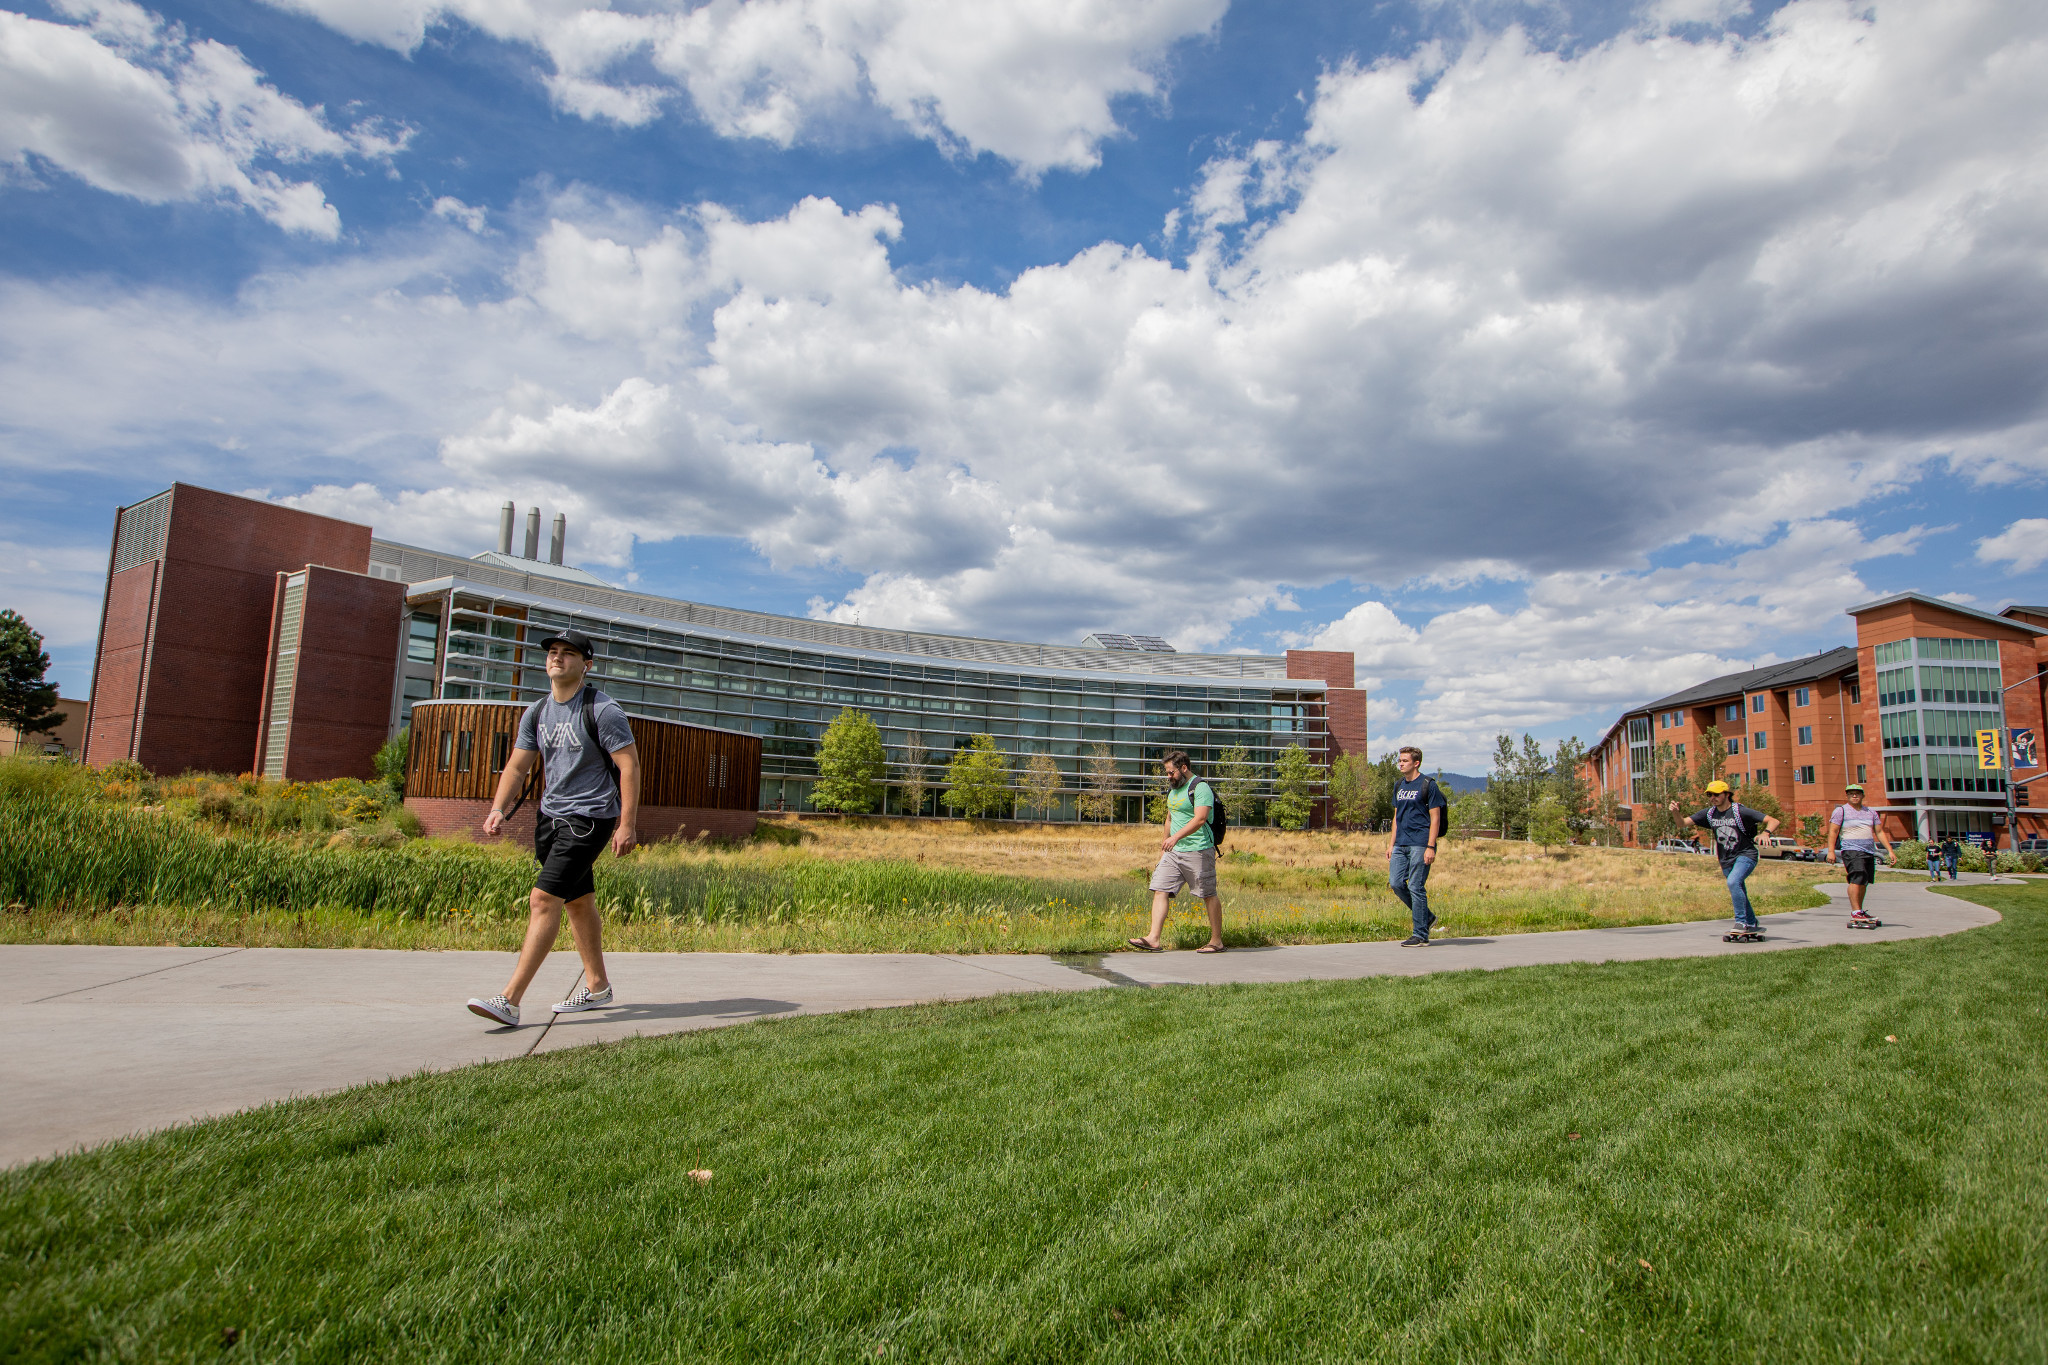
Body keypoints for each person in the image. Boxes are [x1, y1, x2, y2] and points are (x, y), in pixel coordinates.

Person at [466, 628, 640, 1026]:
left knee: (543, 900)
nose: (557, 658)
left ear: (586, 665)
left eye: (568, 653)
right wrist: (498, 808)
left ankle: (509, 1001)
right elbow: (517, 766)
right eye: (553, 652)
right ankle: (598, 986)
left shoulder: (602, 710)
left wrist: (627, 824)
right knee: (577, 901)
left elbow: (628, 765)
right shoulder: (538, 712)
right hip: (550, 818)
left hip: (589, 817)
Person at [1128, 750, 1225, 953]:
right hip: (1174, 852)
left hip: (1199, 850)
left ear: (1184, 768)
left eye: (1171, 772)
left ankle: (1216, 941)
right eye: (1167, 773)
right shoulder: (1173, 791)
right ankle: (1153, 938)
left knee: (1208, 894)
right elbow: (1169, 819)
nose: (1168, 776)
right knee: (1160, 888)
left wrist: (1176, 837)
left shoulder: (1200, 788)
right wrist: (1165, 846)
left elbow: (1200, 819)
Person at [1668, 781, 1779, 938]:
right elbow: (1682, 823)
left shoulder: (1740, 811)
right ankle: (1751, 923)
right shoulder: (1709, 814)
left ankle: (1741, 922)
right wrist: (1675, 813)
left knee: (1733, 882)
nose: (1712, 798)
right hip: (1726, 859)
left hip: (1746, 855)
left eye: (1716, 794)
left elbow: (1774, 820)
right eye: (1709, 795)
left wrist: (1766, 833)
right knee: (1738, 889)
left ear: (1727, 794)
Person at [1389, 746, 1448, 946]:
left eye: (1405, 761)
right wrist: (1391, 844)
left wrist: (1431, 846)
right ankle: (1428, 917)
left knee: (1415, 886)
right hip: (1400, 843)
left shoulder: (1428, 785)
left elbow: (1435, 817)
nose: (1400, 764)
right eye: (1400, 760)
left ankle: (1421, 934)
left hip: (1421, 843)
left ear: (1416, 763)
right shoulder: (1399, 785)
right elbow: (1396, 817)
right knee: (1396, 883)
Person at [1825, 783, 1893, 922]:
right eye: (1851, 793)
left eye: (1857, 793)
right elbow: (1833, 831)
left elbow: (1879, 832)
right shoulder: (1841, 811)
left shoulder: (1870, 812)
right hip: (1851, 850)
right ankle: (1855, 911)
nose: (1854, 796)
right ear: (1847, 796)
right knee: (1857, 878)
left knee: (1864, 881)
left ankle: (1860, 911)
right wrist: (1831, 851)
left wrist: (1890, 851)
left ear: (1862, 796)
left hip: (1868, 851)